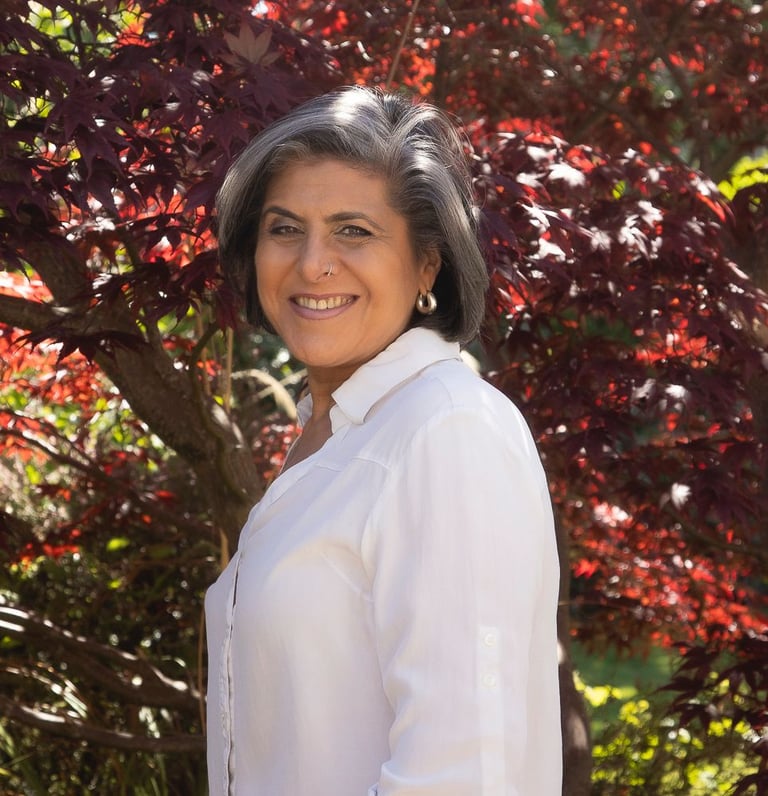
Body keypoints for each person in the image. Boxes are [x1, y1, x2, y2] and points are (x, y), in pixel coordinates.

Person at [206, 85, 562, 796]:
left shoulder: (447, 431)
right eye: (284, 228)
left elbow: (463, 773)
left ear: (427, 264)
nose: (312, 264)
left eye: (353, 231)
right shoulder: (339, 435)